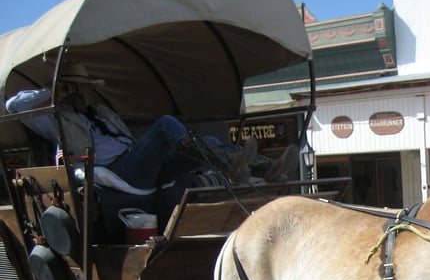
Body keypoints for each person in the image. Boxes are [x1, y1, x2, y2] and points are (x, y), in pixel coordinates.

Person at [3, 63, 265, 189]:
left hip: (141, 162)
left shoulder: (103, 113)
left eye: (82, 88)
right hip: (119, 170)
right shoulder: (56, 118)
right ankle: (230, 163)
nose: (79, 94)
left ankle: (255, 166)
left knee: (201, 141)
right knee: (166, 125)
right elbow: (14, 107)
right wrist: (53, 94)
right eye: (73, 88)